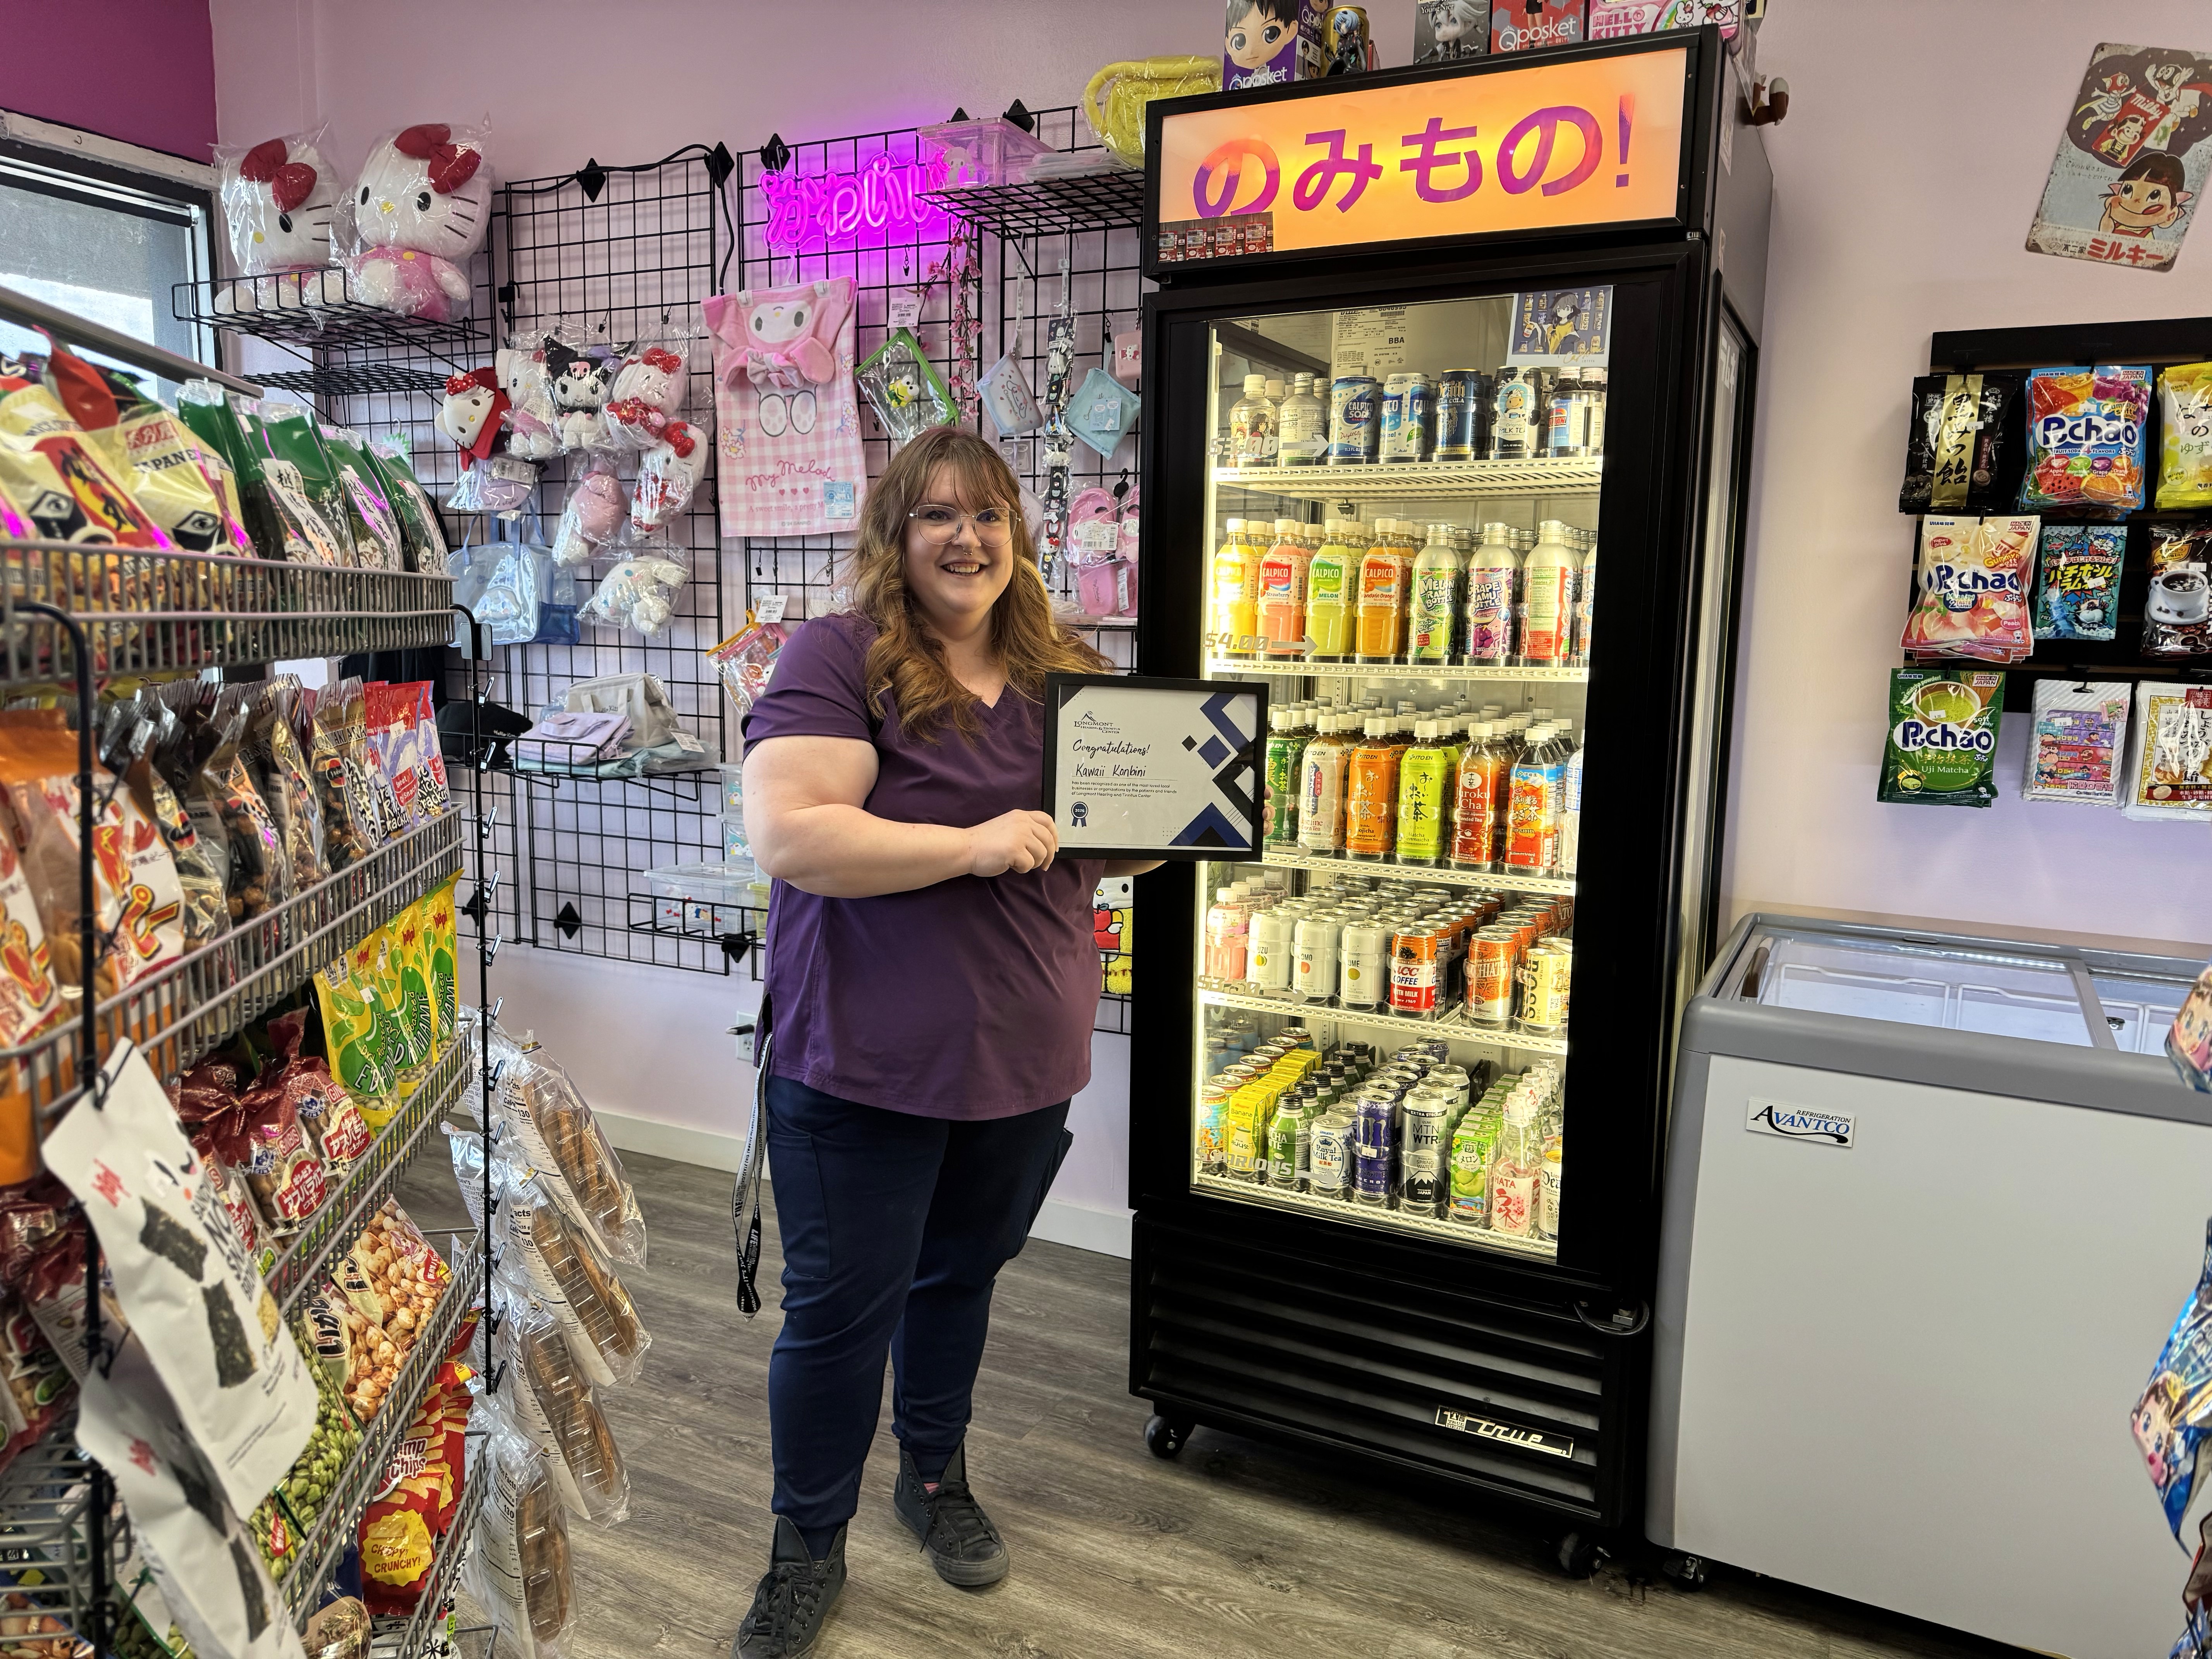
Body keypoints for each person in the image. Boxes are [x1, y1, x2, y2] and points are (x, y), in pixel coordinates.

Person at [732, 424, 1159, 1657]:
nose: (966, 538)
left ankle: (934, 1478)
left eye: (988, 514)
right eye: (937, 515)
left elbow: (1107, 845)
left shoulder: (1063, 671)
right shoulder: (840, 656)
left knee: (958, 1279)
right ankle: (806, 1548)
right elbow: (794, 834)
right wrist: (972, 845)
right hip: (860, 1063)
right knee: (838, 1317)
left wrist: (1176, 816)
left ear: (1017, 533)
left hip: (1022, 1063)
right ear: (896, 533)